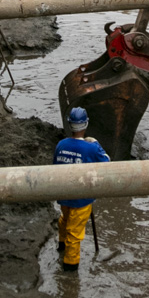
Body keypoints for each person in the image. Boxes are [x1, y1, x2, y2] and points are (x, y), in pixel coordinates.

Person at [53, 107, 109, 272]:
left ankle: (61, 245)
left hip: (64, 193)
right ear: (86, 124)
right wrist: (96, 144)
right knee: (75, 232)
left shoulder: (61, 144)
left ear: (70, 124)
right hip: (82, 197)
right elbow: (107, 163)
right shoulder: (91, 148)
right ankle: (70, 267)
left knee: (65, 219)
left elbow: (55, 166)